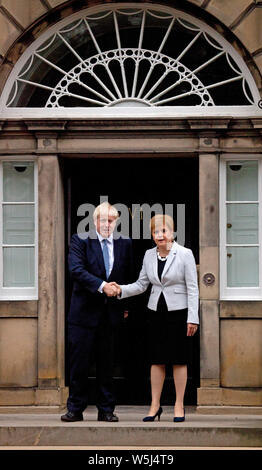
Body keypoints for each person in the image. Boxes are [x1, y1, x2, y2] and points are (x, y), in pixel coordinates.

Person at [111, 214, 199, 422]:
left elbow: (193, 288)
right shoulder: (149, 255)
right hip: (155, 313)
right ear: (152, 235)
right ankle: (155, 405)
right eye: (156, 231)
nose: (161, 235)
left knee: (179, 360)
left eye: (164, 230)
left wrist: (193, 318)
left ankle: (179, 405)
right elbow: (141, 285)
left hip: (179, 313)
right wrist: (119, 289)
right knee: (156, 360)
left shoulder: (185, 254)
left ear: (172, 232)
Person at [61, 202, 133, 422]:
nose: (106, 224)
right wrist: (103, 286)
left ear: (116, 222)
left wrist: (125, 304)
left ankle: (106, 410)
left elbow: (128, 274)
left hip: (110, 314)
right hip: (82, 314)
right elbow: (76, 270)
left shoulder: (125, 243)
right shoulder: (80, 240)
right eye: (102, 220)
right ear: (94, 222)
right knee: (79, 364)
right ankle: (75, 408)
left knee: (107, 364)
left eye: (111, 220)